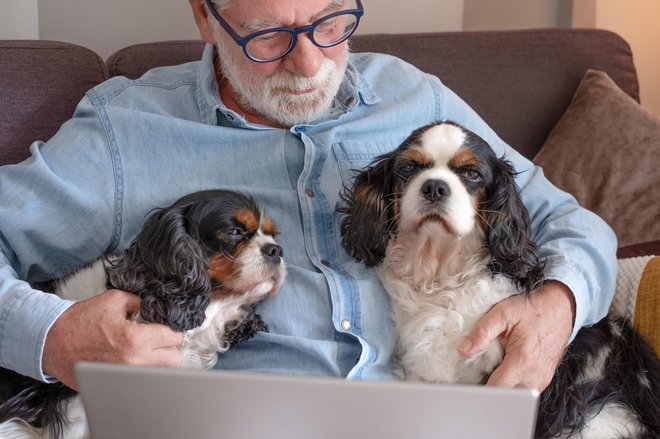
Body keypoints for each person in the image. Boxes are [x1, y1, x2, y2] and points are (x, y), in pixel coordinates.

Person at [0, 0, 617, 393]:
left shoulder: (414, 98)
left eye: (330, 22)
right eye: (268, 37)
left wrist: (558, 303)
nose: (309, 62)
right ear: (205, 15)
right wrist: (52, 337)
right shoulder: (126, 129)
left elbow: (570, 221)